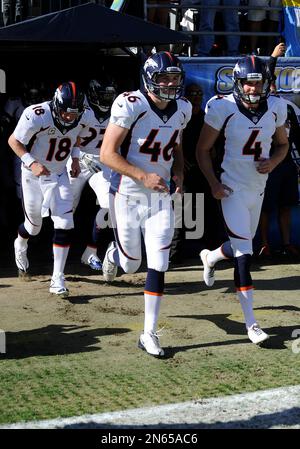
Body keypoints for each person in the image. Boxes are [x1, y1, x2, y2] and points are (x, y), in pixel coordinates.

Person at [100, 51, 192, 357]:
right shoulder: (131, 104)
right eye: (163, 78)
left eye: (174, 77)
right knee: (130, 264)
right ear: (148, 79)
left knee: (160, 263)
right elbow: (107, 154)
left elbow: (176, 143)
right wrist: (143, 175)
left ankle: (149, 333)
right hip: (127, 193)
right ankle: (114, 253)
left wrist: (178, 169)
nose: (169, 83)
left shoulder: (183, 108)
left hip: (160, 196)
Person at [196, 55, 289, 344]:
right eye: (248, 83)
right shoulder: (221, 107)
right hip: (232, 187)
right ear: (238, 84)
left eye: (257, 82)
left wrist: (273, 162)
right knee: (245, 255)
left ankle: (210, 256)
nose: (253, 88)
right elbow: (202, 150)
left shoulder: (276, 107)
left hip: (257, 187)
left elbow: (283, 145)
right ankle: (252, 324)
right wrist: (214, 183)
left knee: (242, 243)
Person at [8, 81, 95, 297]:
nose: (69, 117)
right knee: (34, 226)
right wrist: (31, 162)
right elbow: (14, 141)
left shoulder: (83, 116)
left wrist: (75, 159)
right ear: (56, 105)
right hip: (34, 174)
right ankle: (21, 242)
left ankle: (58, 277)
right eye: (66, 112)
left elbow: (76, 137)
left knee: (65, 223)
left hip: (59, 173)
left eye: (74, 113)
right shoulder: (37, 114)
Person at [68, 77, 117, 271]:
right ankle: (54, 255)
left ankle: (90, 251)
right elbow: (65, 135)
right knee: (65, 208)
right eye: (104, 95)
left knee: (108, 206)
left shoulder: (117, 109)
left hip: (102, 160)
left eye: (110, 95)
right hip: (76, 160)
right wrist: (79, 155)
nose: (107, 99)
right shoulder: (81, 109)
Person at [259, 78, 300, 258]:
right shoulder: (259, 109)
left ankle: (286, 243)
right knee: (265, 207)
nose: (274, 91)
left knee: (286, 205)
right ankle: (264, 245)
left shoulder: (287, 108)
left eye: (275, 88)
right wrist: (274, 56)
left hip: (287, 163)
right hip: (267, 162)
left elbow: (297, 136)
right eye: (270, 88)